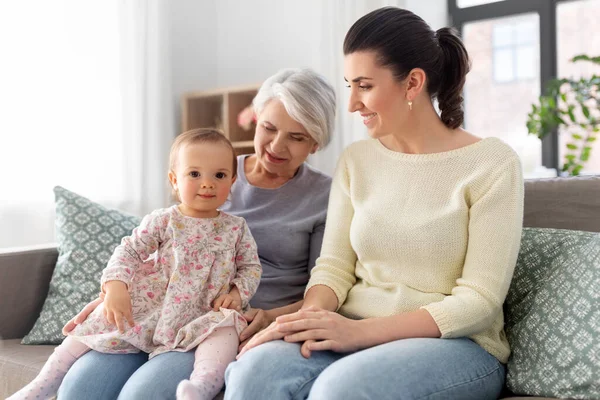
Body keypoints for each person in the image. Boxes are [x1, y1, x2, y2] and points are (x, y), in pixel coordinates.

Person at [225, 6, 524, 400]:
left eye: (364, 86)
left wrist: (359, 332)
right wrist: (308, 318)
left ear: (413, 83)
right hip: (350, 327)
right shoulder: (357, 160)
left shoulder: (491, 164)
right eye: (349, 85)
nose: (352, 104)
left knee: (341, 389)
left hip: (457, 345)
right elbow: (333, 269)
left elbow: (479, 302)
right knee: (254, 371)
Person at [57, 68, 336, 399]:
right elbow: (164, 243)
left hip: (226, 327)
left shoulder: (325, 196)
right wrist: (115, 290)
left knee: (140, 395)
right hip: (169, 312)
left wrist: (269, 318)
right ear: (256, 118)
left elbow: (328, 286)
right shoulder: (214, 168)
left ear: (316, 142)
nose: (277, 145)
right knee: (80, 386)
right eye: (269, 128)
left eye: (297, 136)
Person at [11, 129, 262, 400]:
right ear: (174, 180)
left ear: (233, 180)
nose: (208, 183)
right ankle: (43, 384)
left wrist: (236, 294)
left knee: (224, 333)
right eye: (194, 174)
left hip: (205, 312)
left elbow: (250, 267)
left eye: (220, 175)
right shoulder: (164, 220)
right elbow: (129, 250)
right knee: (98, 324)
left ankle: (201, 386)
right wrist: (116, 285)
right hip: (157, 308)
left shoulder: (235, 228)